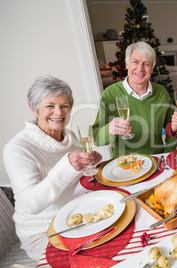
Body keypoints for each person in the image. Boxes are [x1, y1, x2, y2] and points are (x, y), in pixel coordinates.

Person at [2, 75, 102, 261]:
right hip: (43, 233)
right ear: (33, 109)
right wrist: (68, 166)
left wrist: (89, 162)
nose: (59, 112)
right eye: (50, 106)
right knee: (92, 260)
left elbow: (75, 177)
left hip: (76, 216)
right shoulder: (17, 149)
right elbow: (30, 203)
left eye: (64, 106)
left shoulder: (69, 136)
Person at [92, 41, 177, 157]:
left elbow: (172, 128)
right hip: (124, 164)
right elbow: (96, 138)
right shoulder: (110, 93)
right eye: (135, 62)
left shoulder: (161, 92)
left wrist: (167, 155)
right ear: (127, 64)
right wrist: (109, 130)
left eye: (146, 64)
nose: (140, 68)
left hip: (155, 161)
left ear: (152, 69)